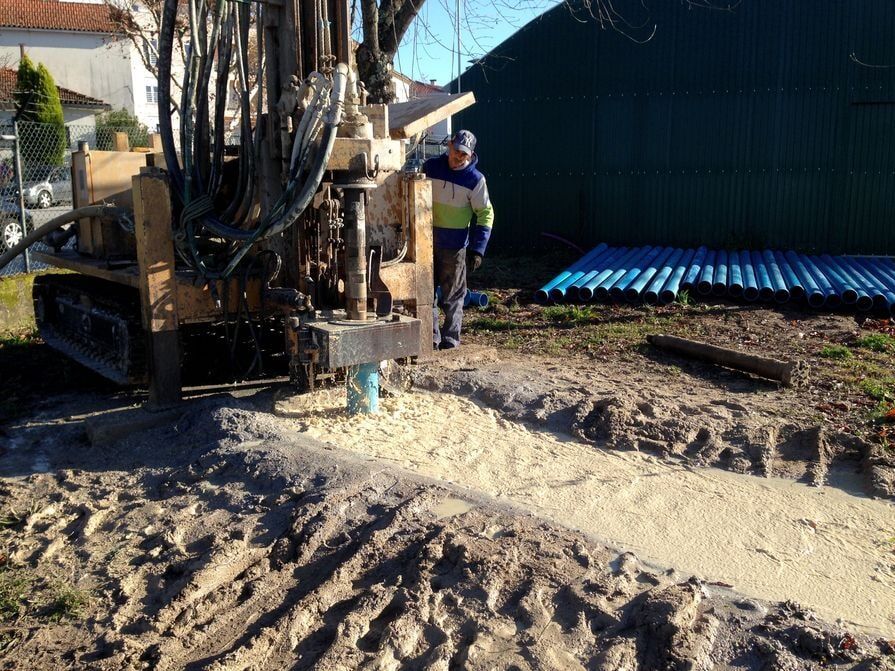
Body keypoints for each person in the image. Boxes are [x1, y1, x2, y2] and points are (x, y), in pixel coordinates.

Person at [423, 130, 495, 350]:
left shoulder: (475, 180)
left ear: (470, 155)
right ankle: (431, 337)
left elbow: (485, 213)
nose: (456, 158)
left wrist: (478, 249)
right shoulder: (430, 167)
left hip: (454, 246)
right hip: (426, 240)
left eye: (462, 155)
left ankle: (450, 337)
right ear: (449, 146)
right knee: (426, 293)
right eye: (455, 152)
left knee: (453, 294)